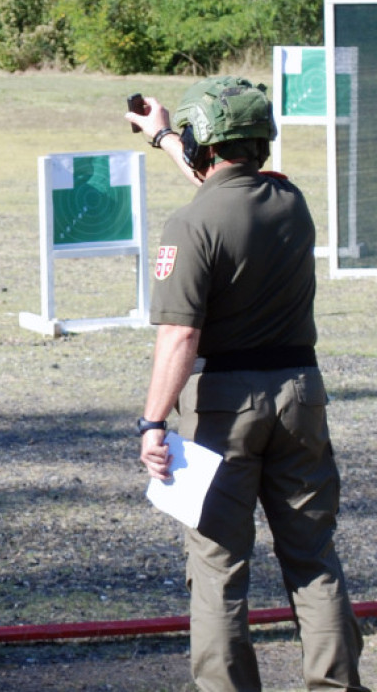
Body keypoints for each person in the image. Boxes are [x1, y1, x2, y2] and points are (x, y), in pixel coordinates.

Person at [126, 76, 368, 692]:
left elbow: (179, 337)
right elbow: (228, 188)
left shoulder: (190, 223)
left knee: (217, 569)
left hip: (223, 409)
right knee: (313, 558)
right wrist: (162, 136)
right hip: (300, 393)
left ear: (203, 141)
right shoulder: (292, 201)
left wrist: (152, 421)